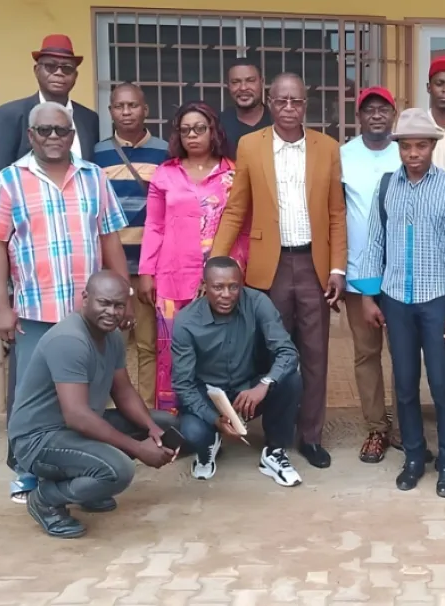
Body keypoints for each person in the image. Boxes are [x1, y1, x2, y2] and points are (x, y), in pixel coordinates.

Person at [0, 101, 131, 503]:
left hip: (90, 318)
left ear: (71, 136)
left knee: (90, 396)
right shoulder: (9, 181)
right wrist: (1, 307)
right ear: (31, 136)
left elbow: (110, 239)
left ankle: (85, 471)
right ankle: (28, 471)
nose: (52, 137)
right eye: (44, 130)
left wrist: (125, 294)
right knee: (33, 399)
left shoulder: (94, 177)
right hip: (36, 313)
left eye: (61, 130)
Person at [211, 73, 347, 470]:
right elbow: (236, 208)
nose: (289, 108)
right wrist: (215, 263)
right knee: (272, 353)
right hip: (268, 266)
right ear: (269, 103)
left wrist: (337, 267)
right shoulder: (251, 145)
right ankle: (276, 437)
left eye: (296, 101)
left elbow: (336, 213)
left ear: (306, 105)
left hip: (314, 265)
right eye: (282, 101)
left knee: (315, 355)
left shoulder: (327, 147)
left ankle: (311, 436)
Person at [351, 108, 445, 498]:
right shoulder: (388, 186)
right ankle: (414, 457)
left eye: (421, 145)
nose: (413, 153)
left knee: (441, 384)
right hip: (396, 299)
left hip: (437, 299)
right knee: (404, 384)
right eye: (406, 146)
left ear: (433, 146)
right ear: (399, 148)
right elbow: (375, 242)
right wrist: (369, 296)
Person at [8, 271, 179, 539]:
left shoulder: (111, 336)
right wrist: (138, 449)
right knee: (118, 470)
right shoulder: (70, 340)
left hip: (72, 429)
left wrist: (151, 429)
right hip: (38, 440)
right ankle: (46, 498)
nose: (112, 312)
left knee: (163, 424)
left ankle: (87, 486)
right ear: (85, 298)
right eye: (104, 303)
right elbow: (77, 416)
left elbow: (123, 392)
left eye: (119, 305)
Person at [138, 101, 249, 412]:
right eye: (185, 130)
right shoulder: (165, 173)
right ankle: (173, 417)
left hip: (219, 282)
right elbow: (154, 225)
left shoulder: (233, 173)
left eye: (199, 128)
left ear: (213, 131)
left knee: (217, 350)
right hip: (172, 277)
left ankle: (218, 419)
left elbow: (243, 227)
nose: (192, 135)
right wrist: (146, 271)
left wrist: (238, 269)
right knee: (172, 350)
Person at [171, 256, 303, 483]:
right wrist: (214, 419)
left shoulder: (257, 303)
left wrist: (265, 384)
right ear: (204, 286)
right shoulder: (186, 321)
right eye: (218, 287)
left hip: (247, 392)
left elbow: (287, 352)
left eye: (233, 287)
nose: (227, 294)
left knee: (290, 378)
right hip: (209, 396)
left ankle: (274, 452)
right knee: (194, 433)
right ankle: (209, 444)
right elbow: (183, 385)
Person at [94, 83, 170, 408]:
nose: (126, 112)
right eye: (119, 106)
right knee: (110, 345)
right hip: (111, 269)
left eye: (133, 106)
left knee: (148, 344)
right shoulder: (97, 155)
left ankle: (149, 411)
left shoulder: (165, 152)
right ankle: (110, 412)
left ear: (145, 110)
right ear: (110, 111)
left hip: (150, 268)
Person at [341, 86, 402, 462]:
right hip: (358, 273)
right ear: (359, 116)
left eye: (383, 108)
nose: (376, 114)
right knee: (366, 354)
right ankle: (376, 428)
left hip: (402, 274)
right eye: (369, 109)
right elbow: (335, 215)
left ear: (394, 114)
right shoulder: (344, 156)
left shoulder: (406, 151)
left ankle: (405, 425)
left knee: (403, 353)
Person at [0, 34, 99, 191]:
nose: (59, 72)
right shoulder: (8, 116)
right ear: (36, 70)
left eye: (67, 68)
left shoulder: (89, 118)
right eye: (50, 66)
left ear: (75, 76)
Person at [220, 60, 272, 160]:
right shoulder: (217, 126)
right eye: (235, 82)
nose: (243, 88)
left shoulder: (278, 123)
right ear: (228, 85)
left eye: (250, 80)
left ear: (262, 82)